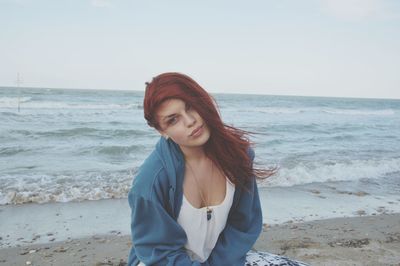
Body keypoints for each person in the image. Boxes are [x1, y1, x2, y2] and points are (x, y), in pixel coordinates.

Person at [127, 72, 308, 266]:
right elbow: (158, 252)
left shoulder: (238, 156)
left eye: (191, 107)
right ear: (162, 131)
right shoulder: (151, 181)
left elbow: (242, 225)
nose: (190, 121)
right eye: (173, 119)